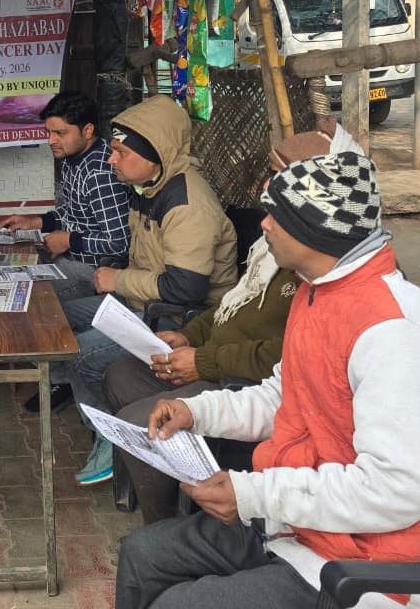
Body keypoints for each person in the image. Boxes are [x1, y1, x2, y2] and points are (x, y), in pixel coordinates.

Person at [116, 151, 420, 609]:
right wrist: (197, 412)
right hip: (305, 526)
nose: (264, 225)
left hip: (373, 566)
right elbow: (286, 395)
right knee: (143, 555)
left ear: (317, 231)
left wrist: (253, 495)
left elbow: (395, 490)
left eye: (278, 216)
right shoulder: (319, 294)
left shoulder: (396, 335)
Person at [102, 123, 363, 524]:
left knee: (140, 421)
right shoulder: (275, 251)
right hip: (217, 362)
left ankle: (167, 524)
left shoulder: (323, 274)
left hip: (241, 379)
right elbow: (231, 306)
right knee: (120, 374)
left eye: (279, 179)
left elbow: (284, 361)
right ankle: (168, 498)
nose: (264, 194)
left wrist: (203, 362)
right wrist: (187, 336)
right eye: (270, 176)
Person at [57, 94, 237, 487]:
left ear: (155, 154)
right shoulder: (151, 187)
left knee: (78, 352)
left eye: (121, 153)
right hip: (140, 302)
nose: (111, 160)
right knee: (58, 319)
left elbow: (185, 288)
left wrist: (117, 280)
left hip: (178, 320)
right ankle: (90, 408)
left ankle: (113, 442)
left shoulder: (187, 205)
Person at [0, 90, 130, 414]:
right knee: (15, 283)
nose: (51, 140)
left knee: (30, 302)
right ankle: (60, 375)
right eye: (48, 132)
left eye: (60, 132)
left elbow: (119, 242)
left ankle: (60, 380)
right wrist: (37, 221)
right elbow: (72, 214)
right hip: (69, 258)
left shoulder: (100, 172)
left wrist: (71, 241)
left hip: (96, 270)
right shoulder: (73, 159)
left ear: (88, 130)